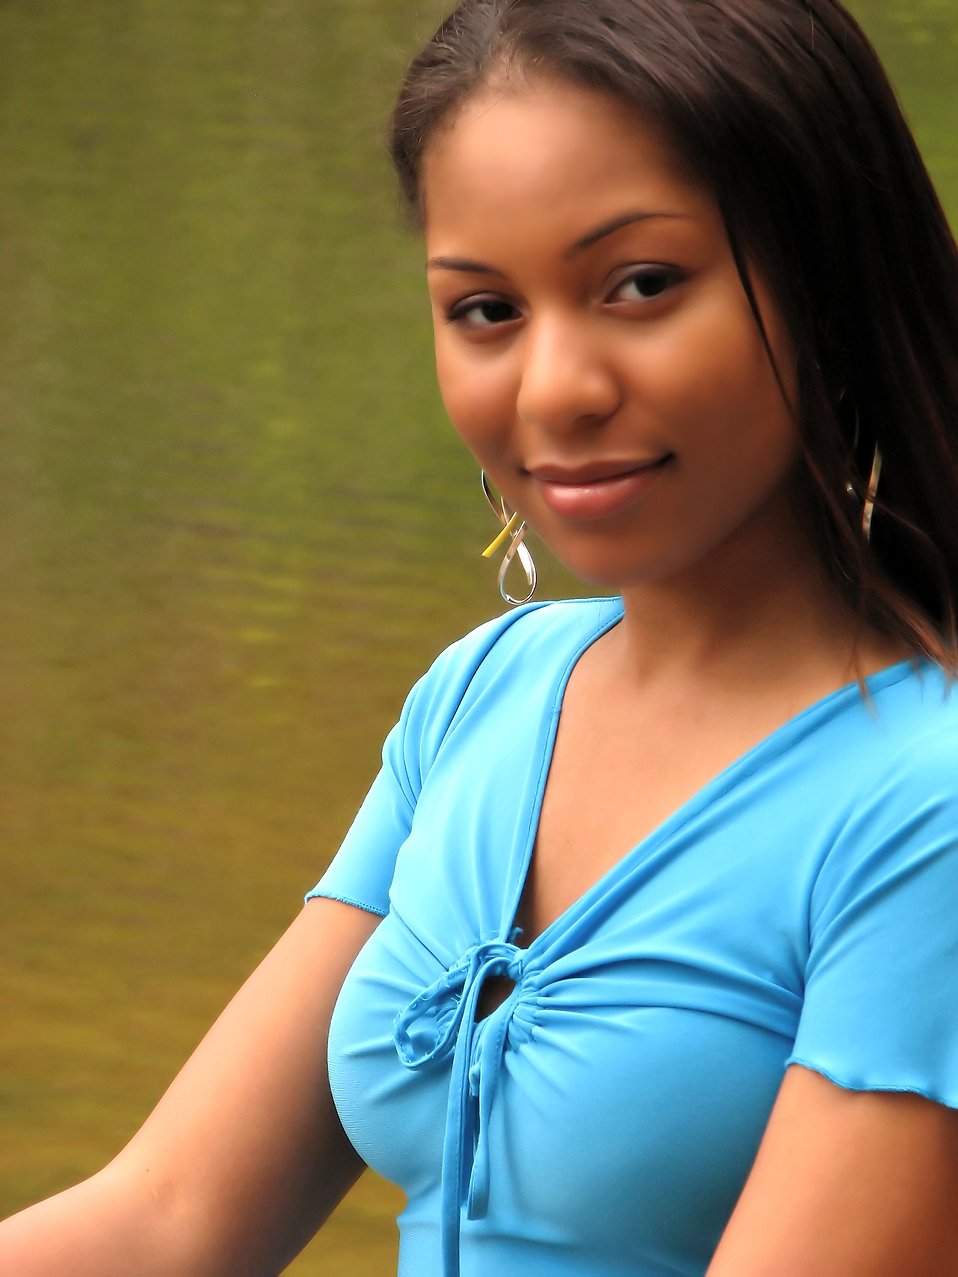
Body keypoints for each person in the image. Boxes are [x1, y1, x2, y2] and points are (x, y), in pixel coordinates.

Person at [3, 0, 958, 1273]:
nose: (555, 387)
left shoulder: (923, 806)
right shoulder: (484, 694)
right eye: (486, 309)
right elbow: (170, 1219)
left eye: (641, 285)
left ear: (823, 280)